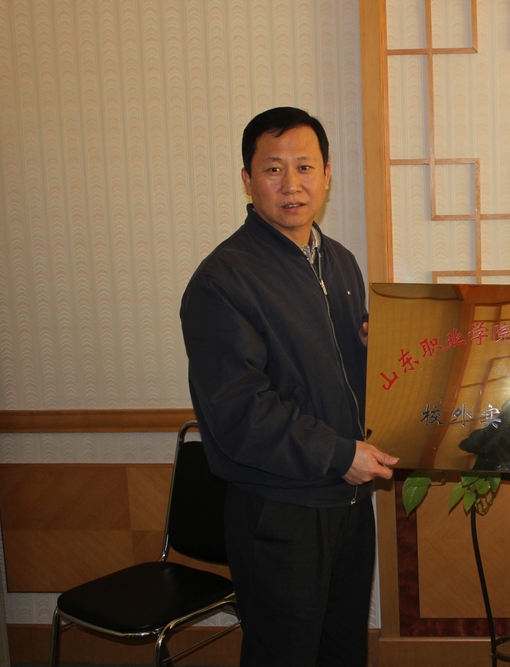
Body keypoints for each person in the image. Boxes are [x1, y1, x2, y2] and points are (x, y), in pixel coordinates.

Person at [180, 106, 398, 666]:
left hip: (348, 500)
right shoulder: (223, 279)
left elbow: (333, 379)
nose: (291, 184)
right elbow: (239, 412)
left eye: (304, 167)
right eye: (273, 169)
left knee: (342, 650)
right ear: (248, 180)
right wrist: (339, 455)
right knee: (284, 655)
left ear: (326, 175)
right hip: (279, 510)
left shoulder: (340, 263)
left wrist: (378, 353)